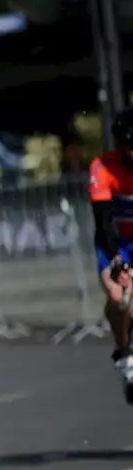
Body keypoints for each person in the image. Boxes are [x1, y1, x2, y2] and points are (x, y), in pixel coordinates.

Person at [90, 107, 133, 400]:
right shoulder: (102, 168)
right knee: (117, 298)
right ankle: (123, 353)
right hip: (114, 241)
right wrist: (116, 258)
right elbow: (102, 221)